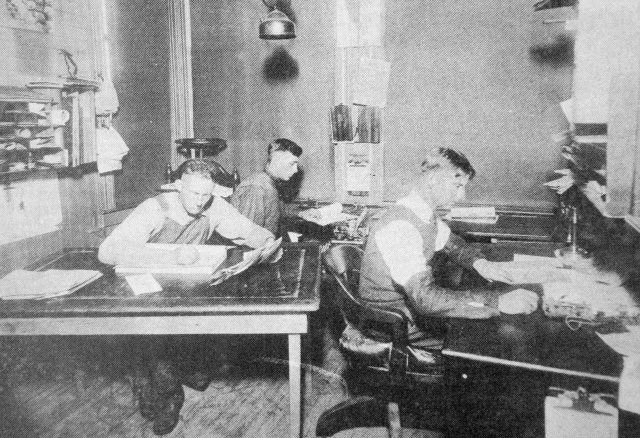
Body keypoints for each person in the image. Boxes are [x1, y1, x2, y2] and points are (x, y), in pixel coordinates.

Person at [98, 159, 275, 436]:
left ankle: (181, 375)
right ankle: (169, 394)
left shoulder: (213, 205)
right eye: (194, 193)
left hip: (185, 288)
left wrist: (268, 242)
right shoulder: (155, 209)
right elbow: (107, 252)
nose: (200, 202)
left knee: (191, 328)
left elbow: (246, 230)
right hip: (149, 289)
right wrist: (169, 254)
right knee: (155, 338)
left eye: (206, 194)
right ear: (177, 186)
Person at [359, 148, 533, 349]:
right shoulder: (401, 227)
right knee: (487, 343)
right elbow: (425, 299)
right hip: (392, 323)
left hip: (408, 309)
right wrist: (497, 301)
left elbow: (452, 244)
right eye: (457, 185)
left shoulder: (421, 212)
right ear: (433, 178)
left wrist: (481, 264)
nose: (462, 195)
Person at [230, 138, 302, 236]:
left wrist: (301, 213)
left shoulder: (268, 182)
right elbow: (248, 236)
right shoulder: (257, 188)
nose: (295, 170)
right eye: (292, 164)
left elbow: (274, 209)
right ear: (277, 160)